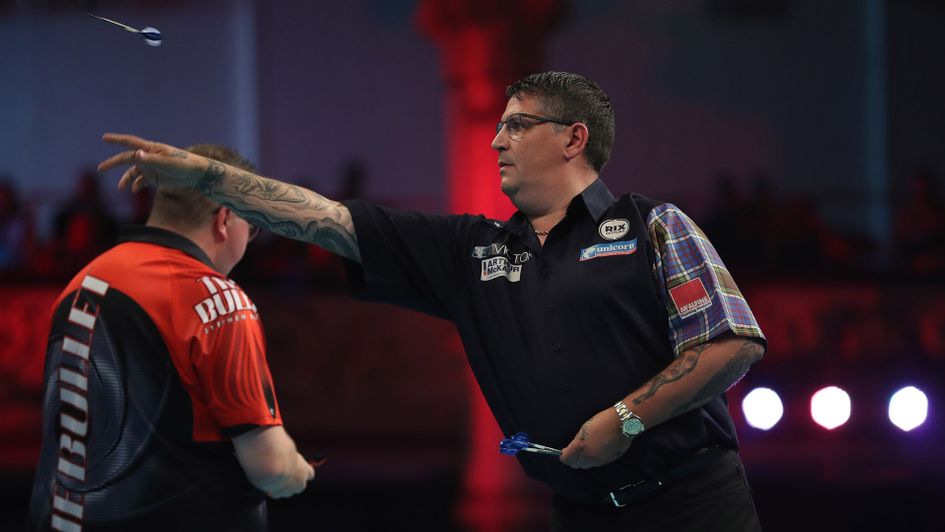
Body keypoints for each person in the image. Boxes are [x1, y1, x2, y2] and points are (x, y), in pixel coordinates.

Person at [98, 71, 766, 531]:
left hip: (693, 503)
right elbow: (323, 219)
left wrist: (623, 420)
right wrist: (211, 178)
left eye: (517, 126)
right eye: (498, 126)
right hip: (578, 510)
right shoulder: (469, 251)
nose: (496, 140)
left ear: (573, 138)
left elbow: (732, 341)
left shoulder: (653, 224)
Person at [28, 145, 314, 532]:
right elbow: (271, 467)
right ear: (225, 220)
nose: (249, 241)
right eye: (253, 225)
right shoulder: (218, 299)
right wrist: (297, 470)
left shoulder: (80, 283)